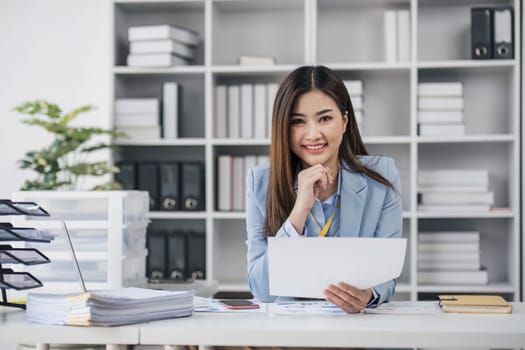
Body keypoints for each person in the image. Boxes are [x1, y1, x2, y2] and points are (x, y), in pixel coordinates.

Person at [245, 65, 403, 313]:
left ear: (344, 121)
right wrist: (298, 212)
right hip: (289, 333)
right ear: (283, 129)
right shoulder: (261, 183)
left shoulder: (381, 178)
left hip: (355, 327)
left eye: (325, 118)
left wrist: (368, 295)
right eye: (298, 121)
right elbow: (260, 289)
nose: (313, 134)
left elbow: (387, 275)